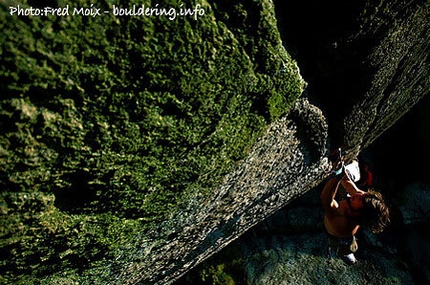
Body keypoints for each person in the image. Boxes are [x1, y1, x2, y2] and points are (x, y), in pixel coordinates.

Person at [321, 160, 390, 264]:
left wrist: (336, 176)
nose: (358, 194)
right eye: (362, 195)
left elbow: (326, 198)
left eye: (352, 199)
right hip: (349, 212)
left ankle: (347, 253)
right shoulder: (362, 199)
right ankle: (350, 247)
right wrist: (344, 164)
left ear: (358, 213)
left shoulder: (341, 224)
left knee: (342, 247)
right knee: (351, 172)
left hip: (337, 233)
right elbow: (346, 181)